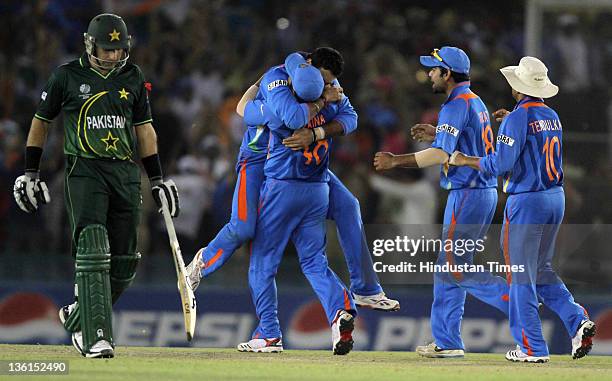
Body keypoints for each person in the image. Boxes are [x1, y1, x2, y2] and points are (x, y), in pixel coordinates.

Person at [12, 13, 179, 358]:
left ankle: (78, 316)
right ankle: (96, 336)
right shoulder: (66, 76)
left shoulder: (133, 77)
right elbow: (41, 123)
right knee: (93, 245)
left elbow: (145, 131)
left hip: (125, 172)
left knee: (126, 261)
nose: (114, 56)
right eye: (107, 50)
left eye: (119, 50)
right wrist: (31, 171)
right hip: (84, 169)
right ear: (90, 45)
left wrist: (157, 179)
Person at [186, 48, 399, 312]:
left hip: (297, 166)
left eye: (329, 83)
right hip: (257, 163)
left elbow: (351, 119)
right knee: (243, 228)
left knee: (349, 205)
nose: (326, 86)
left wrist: (318, 131)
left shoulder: (324, 81)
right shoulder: (278, 84)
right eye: (322, 81)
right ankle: (200, 264)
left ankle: (366, 290)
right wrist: (322, 101)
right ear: (308, 66)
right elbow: (261, 112)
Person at [449, 56, 596, 363]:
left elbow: (500, 165)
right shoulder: (551, 114)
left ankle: (531, 347)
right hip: (555, 197)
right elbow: (531, 140)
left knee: (519, 274)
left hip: (528, 201)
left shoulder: (518, 118)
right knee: (541, 269)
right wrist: (511, 122)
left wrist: (465, 160)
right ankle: (577, 320)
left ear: (517, 85)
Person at [374, 46, 509, 358]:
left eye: (434, 69)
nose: (430, 74)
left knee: (453, 267)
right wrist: (438, 132)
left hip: (468, 194)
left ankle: (515, 297)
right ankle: (447, 341)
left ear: (447, 74)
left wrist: (396, 160)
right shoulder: (473, 101)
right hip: (480, 192)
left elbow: (440, 155)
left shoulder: (455, 105)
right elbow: (468, 140)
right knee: (448, 268)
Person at [234, 52, 357, 355]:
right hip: (317, 189)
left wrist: (264, 85)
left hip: (283, 188)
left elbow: (246, 111)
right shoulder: (332, 99)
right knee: (315, 262)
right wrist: (325, 110)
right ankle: (340, 311)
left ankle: (269, 334)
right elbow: (352, 119)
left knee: (262, 263)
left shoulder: (283, 102)